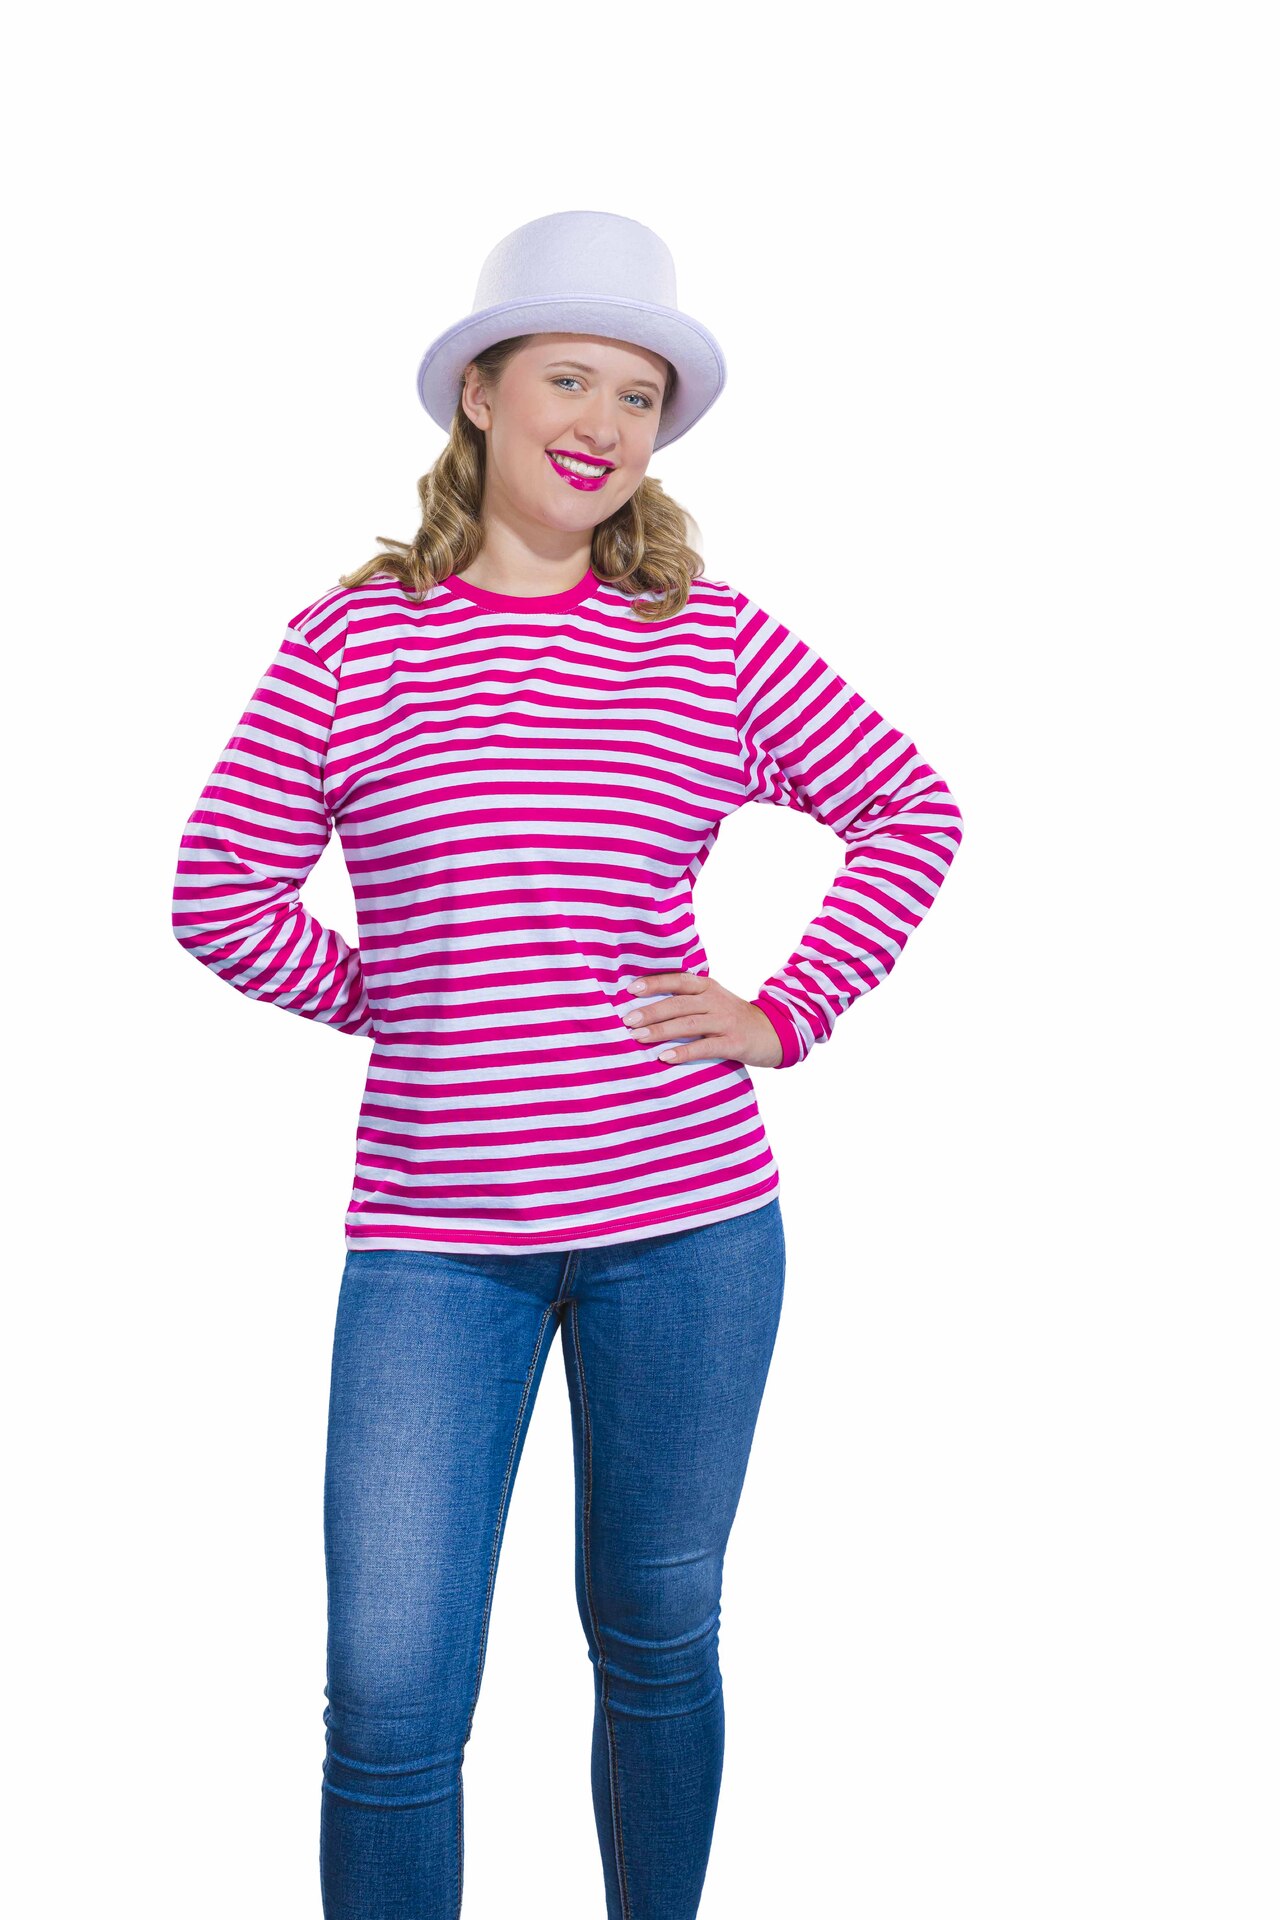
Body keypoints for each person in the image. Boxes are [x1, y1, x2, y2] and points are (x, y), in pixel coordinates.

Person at [171, 208, 965, 1920]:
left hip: (690, 1223)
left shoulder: (709, 636)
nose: (603, 421)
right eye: (568, 379)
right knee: (390, 1695)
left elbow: (913, 805)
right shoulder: (350, 643)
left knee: (659, 1631)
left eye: (639, 394)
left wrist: (785, 1008)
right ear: (481, 393)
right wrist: (403, 997)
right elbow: (218, 894)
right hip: (434, 1242)